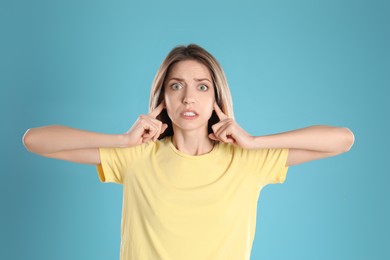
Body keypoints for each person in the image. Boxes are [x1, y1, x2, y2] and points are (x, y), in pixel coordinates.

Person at [22, 44, 355, 260]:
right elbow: (34, 140)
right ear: (163, 98)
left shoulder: (248, 161)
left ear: (216, 99)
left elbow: (342, 139)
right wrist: (122, 140)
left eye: (202, 86)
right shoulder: (136, 156)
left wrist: (253, 141)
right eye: (176, 86)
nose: (189, 98)